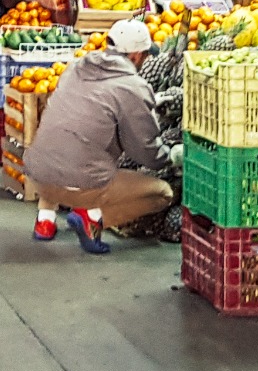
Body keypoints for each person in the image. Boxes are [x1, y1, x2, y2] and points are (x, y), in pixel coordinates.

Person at [23, 18, 174, 254]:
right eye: (145, 55)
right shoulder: (131, 86)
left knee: (67, 142)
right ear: (135, 55)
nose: (145, 61)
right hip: (80, 182)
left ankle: (45, 220)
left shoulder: (76, 66)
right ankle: (91, 217)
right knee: (162, 193)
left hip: (37, 173)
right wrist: (171, 157)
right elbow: (145, 152)